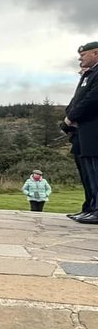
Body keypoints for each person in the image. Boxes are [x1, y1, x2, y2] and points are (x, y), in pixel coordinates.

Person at [65, 41, 98, 224]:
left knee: (95, 170)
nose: (80, 58)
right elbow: (78, 99)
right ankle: (92, 207)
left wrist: (72, 117)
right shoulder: (89, 74)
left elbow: (91, 100)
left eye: (83, 55)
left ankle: (96, 209)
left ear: (96, 53)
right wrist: (69, 116)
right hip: (85, 131)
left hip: (93, 129)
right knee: (90, 173)